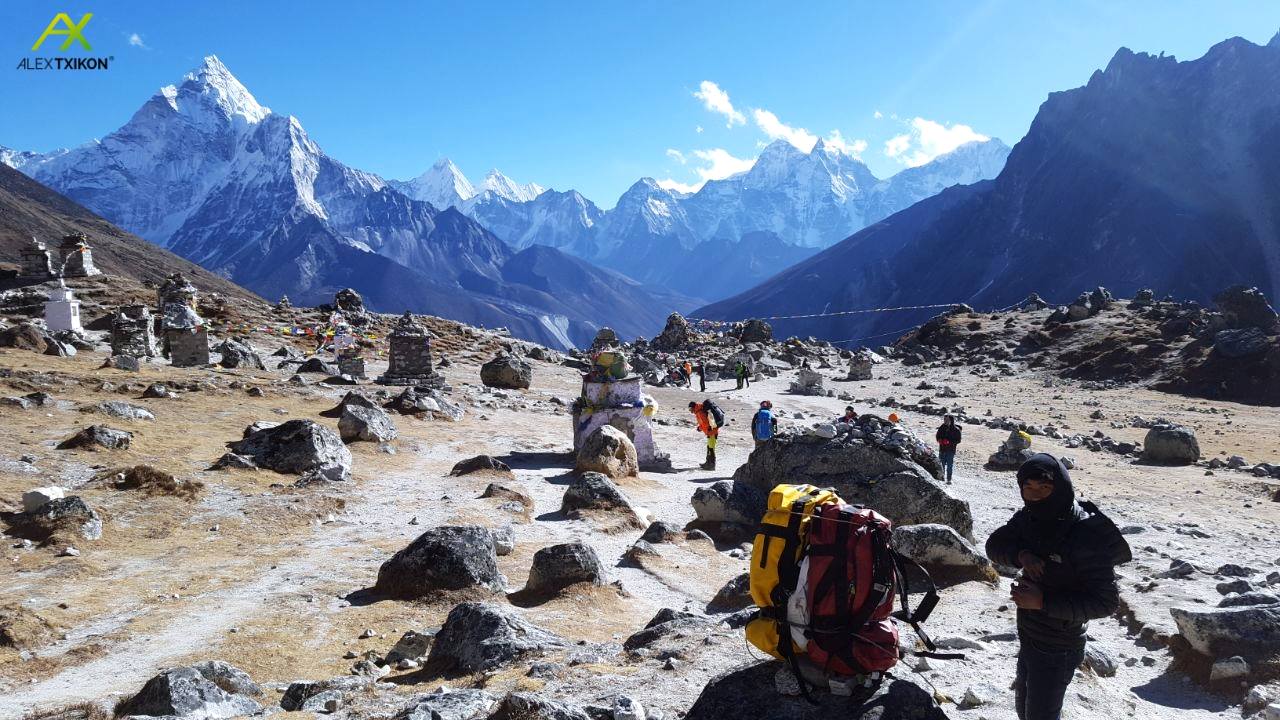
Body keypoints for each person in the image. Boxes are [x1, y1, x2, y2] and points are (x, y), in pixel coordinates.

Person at [985, 454, 1131, 720]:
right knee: (1025, 711)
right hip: (1029, 635)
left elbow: (1106, 602)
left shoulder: (1084, 533)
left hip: (1059, 647)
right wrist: (1021, 554)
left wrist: (1043, 602)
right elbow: (993, 545)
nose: (1035, 495)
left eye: (1044, 488)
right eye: (1027, 488)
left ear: (1060, 487)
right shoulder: (1028, 519)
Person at [689, 401, 719, 470]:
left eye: (690, 409)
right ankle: (708, 463)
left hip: (712, 432)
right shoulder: (699, 411)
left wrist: (700, 428)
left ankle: (711, 465)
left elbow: (705, 424)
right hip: (710, 432)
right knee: (709, 447)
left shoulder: (700, 412)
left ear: (693, 407)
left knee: (711, 448)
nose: (691, 411)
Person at [936, 415, 962, 483]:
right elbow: (937, 436)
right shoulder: (942, 427)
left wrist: (949, 442)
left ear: (951, 421)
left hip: (950, 450)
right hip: (942, 449)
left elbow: (958, 440)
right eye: (944, 420)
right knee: (941, 464)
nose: (945, 421)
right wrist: (939, 440)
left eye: (947, 420)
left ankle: (949, 479)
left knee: (949, 465)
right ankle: (942, 477)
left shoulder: (956, 430)